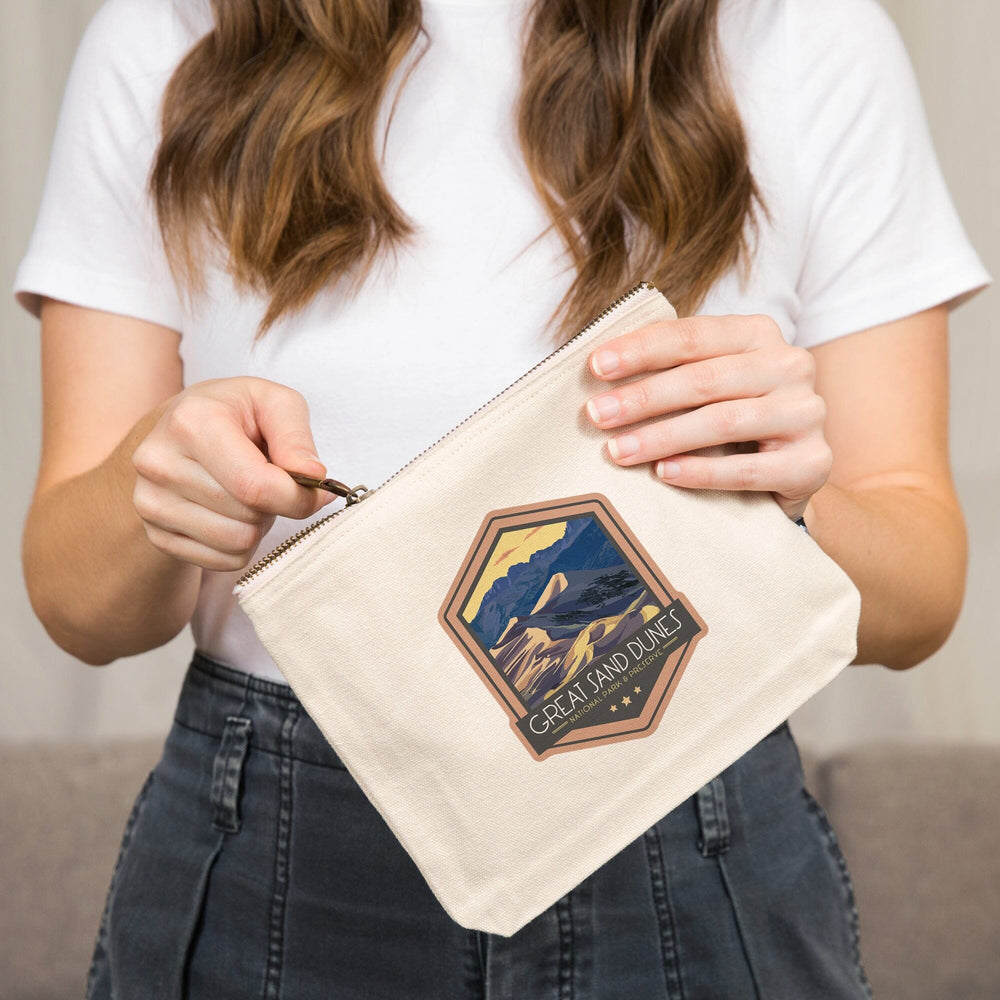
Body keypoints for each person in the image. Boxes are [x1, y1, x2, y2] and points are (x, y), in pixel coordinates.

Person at [15, 0, 988, 996]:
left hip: (687, 797)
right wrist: (161, 479)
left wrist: (788, 506)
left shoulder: (804, 35)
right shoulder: (169, 33)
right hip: (284, 827)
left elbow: (918, 595)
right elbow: (78, 605)